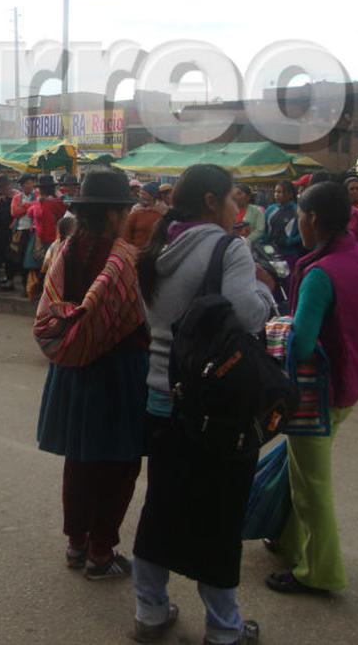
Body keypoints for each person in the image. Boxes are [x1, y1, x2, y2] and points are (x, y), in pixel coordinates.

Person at [131, 164, 274, 645]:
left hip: (159, 396)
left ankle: (149, 612)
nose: (239, 207)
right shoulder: (228, 247)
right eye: (234, 198)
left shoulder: (156, 249)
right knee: (219, 515)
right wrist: (265, 290)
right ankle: (224, 630)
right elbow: (246, 313)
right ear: (213, 202)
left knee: (161, 505)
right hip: (214, 402)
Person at [33, 170, 147, 580]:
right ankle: (102, 551)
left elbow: (53, 306)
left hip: (73, 367)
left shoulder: (66, 250)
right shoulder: (124, 260)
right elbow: (137, 318)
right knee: (118, 463)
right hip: (116, 371)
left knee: (80, 460)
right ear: (115, 213)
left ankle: (76, 543)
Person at [265, 182, 358, 597]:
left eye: (300, 215)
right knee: (302, 474)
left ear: (311, 219)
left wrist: (274, 331)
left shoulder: (319, 274)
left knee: (312, 487)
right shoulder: (356, 257)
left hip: (319, 393)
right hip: (349, 384)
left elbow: (303, 342)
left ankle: (318, 571)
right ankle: (292, 541)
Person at [26, 175, 68, 300]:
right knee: (54, 268)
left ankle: (41, 293)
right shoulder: (59, 202)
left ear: (41, 189)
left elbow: (35, 219)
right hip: (57, 238)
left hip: (42, 239)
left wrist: (37, 243)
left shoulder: (42, 203)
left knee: (39, 267)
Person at [263, 180, 303, 271]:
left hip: (290, 253)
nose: (277, 194)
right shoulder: (270, 209)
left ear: (290, 194)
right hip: (272, 253)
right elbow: (265, 230)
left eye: (280, 192)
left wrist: (290, 241)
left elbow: (303, 233)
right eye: (276, 192)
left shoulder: (297, 210)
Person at [8, 174, 37, 292]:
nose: (30, 185)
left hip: (33, 231)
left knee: (31, 259)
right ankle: (25, 284)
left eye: (31, 183)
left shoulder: (37, 195)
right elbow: (14, 212)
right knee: (20, 258)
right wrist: (29, 206)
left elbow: (37, 209)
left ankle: (31, 286)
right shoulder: (17, 198)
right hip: (20, 231)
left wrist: (24, 207)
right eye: (28, 183)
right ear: (22, 185)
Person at [0, 174, 17, 290]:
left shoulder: (15, 199)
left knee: (10, 257)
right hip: (0, 231)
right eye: (1, 187)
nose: (3, 189)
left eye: (5, 187)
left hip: (12, 231)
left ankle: (10, 280)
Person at [123, 182, 167, 249]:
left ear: (152, 196)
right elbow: (127, 232)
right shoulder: (136, 209)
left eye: (143, 194)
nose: (140, 196)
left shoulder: (163, 209)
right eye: (140, 193)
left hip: (154, 252)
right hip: (135, 251)